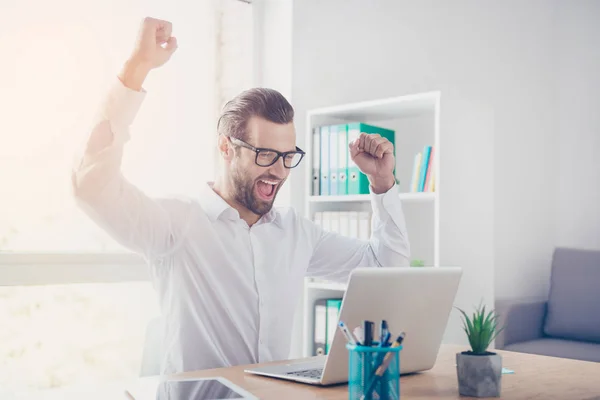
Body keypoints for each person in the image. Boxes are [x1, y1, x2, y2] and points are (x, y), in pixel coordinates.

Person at [71, 17, 410, 375]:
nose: (278, 171)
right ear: (226, 148)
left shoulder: (297, 234)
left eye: (287, 157)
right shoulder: (177, 225)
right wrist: (136, 68)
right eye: (264, 155)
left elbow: (386, 268)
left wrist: (383, 182)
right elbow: (92, 185)